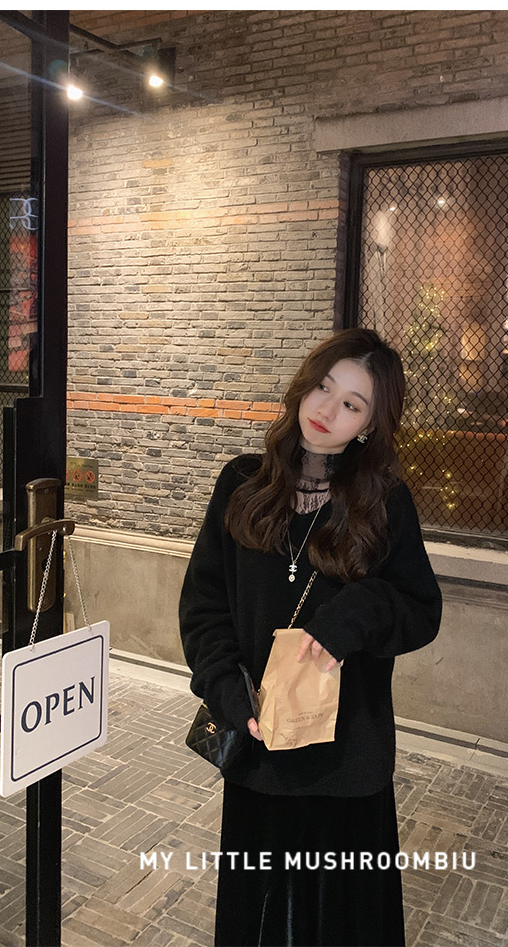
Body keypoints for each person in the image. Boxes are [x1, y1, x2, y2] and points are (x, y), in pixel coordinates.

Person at [178, 327, 443, 947]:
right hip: (260, 746)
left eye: (352, 403)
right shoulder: (242, 483)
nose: (327, 410)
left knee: (342, 921)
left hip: (347, 756)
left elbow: (420, 609)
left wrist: (353, 616)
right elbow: (204, 603)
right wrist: (225, 687)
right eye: (323, 387)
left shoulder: (383, 502)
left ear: (369, 425)